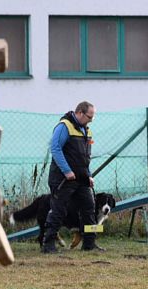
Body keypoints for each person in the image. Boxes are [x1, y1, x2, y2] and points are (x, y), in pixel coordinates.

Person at [41, 101, 103, 253]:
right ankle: (48, 245)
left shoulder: (86, 131)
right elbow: (55, 148)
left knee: (89, 208)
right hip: (63, 178)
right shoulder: (64, 126)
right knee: (59, 210)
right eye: (90, 116)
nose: (91, 120)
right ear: (80, 113)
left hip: (81, 178)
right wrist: (67, 171)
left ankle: (89, 243)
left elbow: (85, 157)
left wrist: (88, 175)